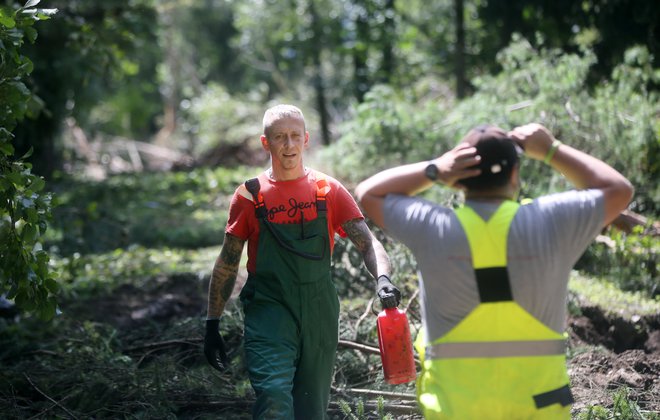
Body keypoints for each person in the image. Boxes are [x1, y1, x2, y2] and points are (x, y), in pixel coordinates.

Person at [355, 123, 633, 419]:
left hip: (456, 411)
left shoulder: (433, 227)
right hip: (539, 410)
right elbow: (619, 190)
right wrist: (551, 149)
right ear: (515, 175)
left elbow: (369, 193)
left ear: (459, 181)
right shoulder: (551, 222)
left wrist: (435, 169)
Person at [204, 104, 400, 419]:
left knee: (311, 407)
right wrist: (212, 322)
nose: (289, 145)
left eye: (295, 136)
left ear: (306, 139)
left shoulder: (328, 191)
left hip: (319, 309)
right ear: (265, 143)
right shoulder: (249, 197)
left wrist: (383, 279)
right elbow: (227, 263)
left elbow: (368, 243)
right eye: (280, 137)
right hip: (269, 307)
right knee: (273, 397)